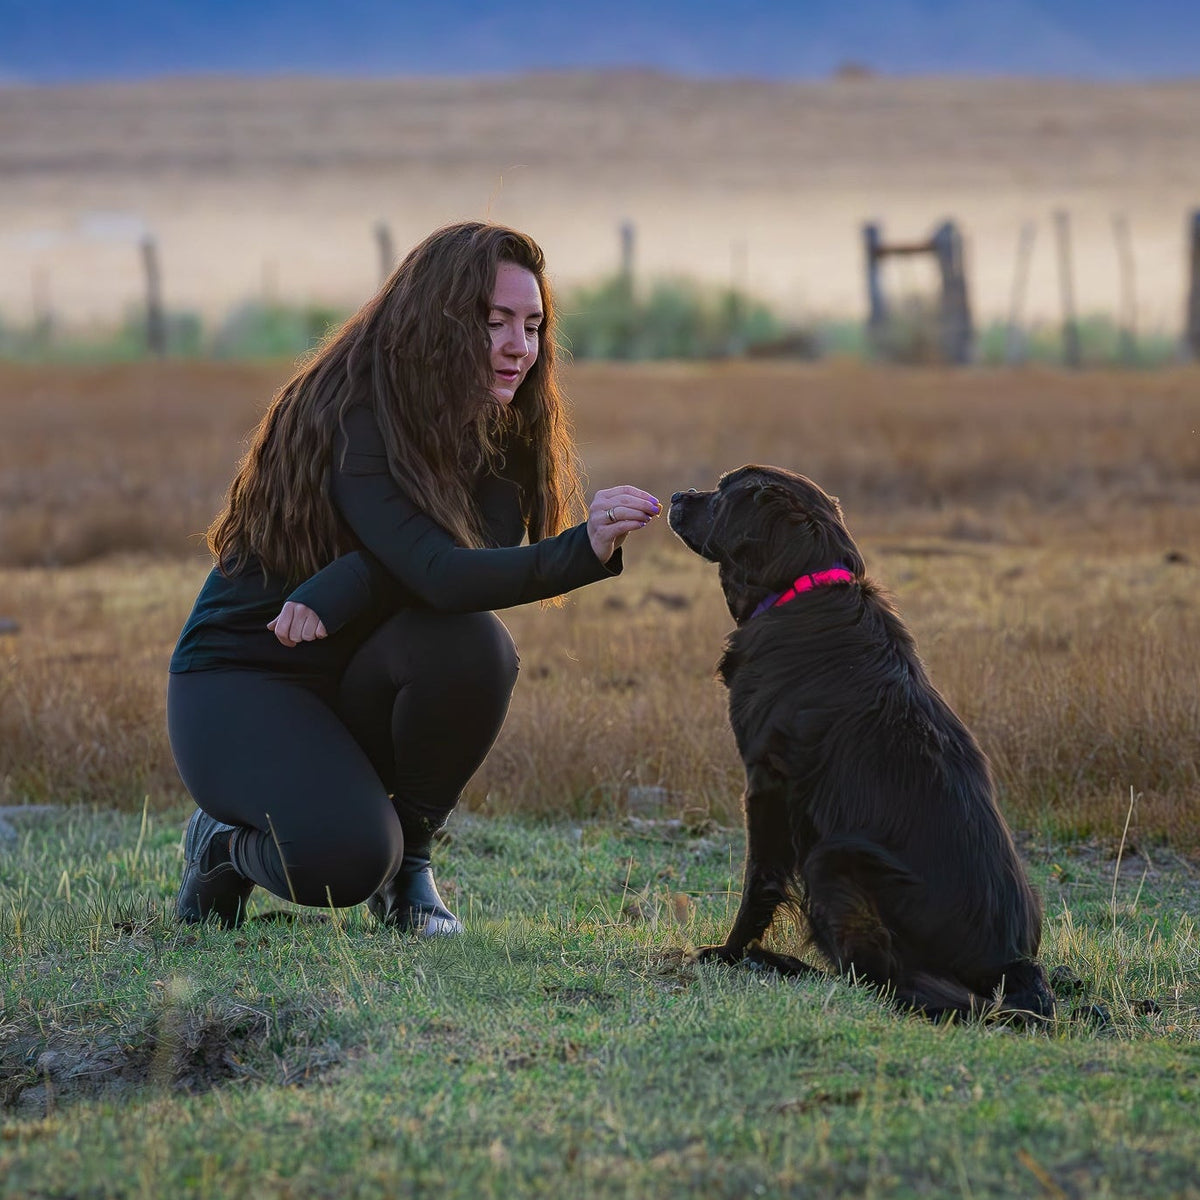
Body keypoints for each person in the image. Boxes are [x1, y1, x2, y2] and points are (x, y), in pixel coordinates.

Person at [168, 221, 660, 933]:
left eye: (532, 324)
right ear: (439, 321)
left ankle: (411, 870)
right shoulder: (351, 413)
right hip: (248, 681)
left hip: (355, 672)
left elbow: (456, 563)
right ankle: (222, 846)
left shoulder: (502, 424)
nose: (519, 346)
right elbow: (440, 572)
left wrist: (350, 585)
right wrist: (584, 549)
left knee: (473, 647)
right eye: (494, 323)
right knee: (341, 861)